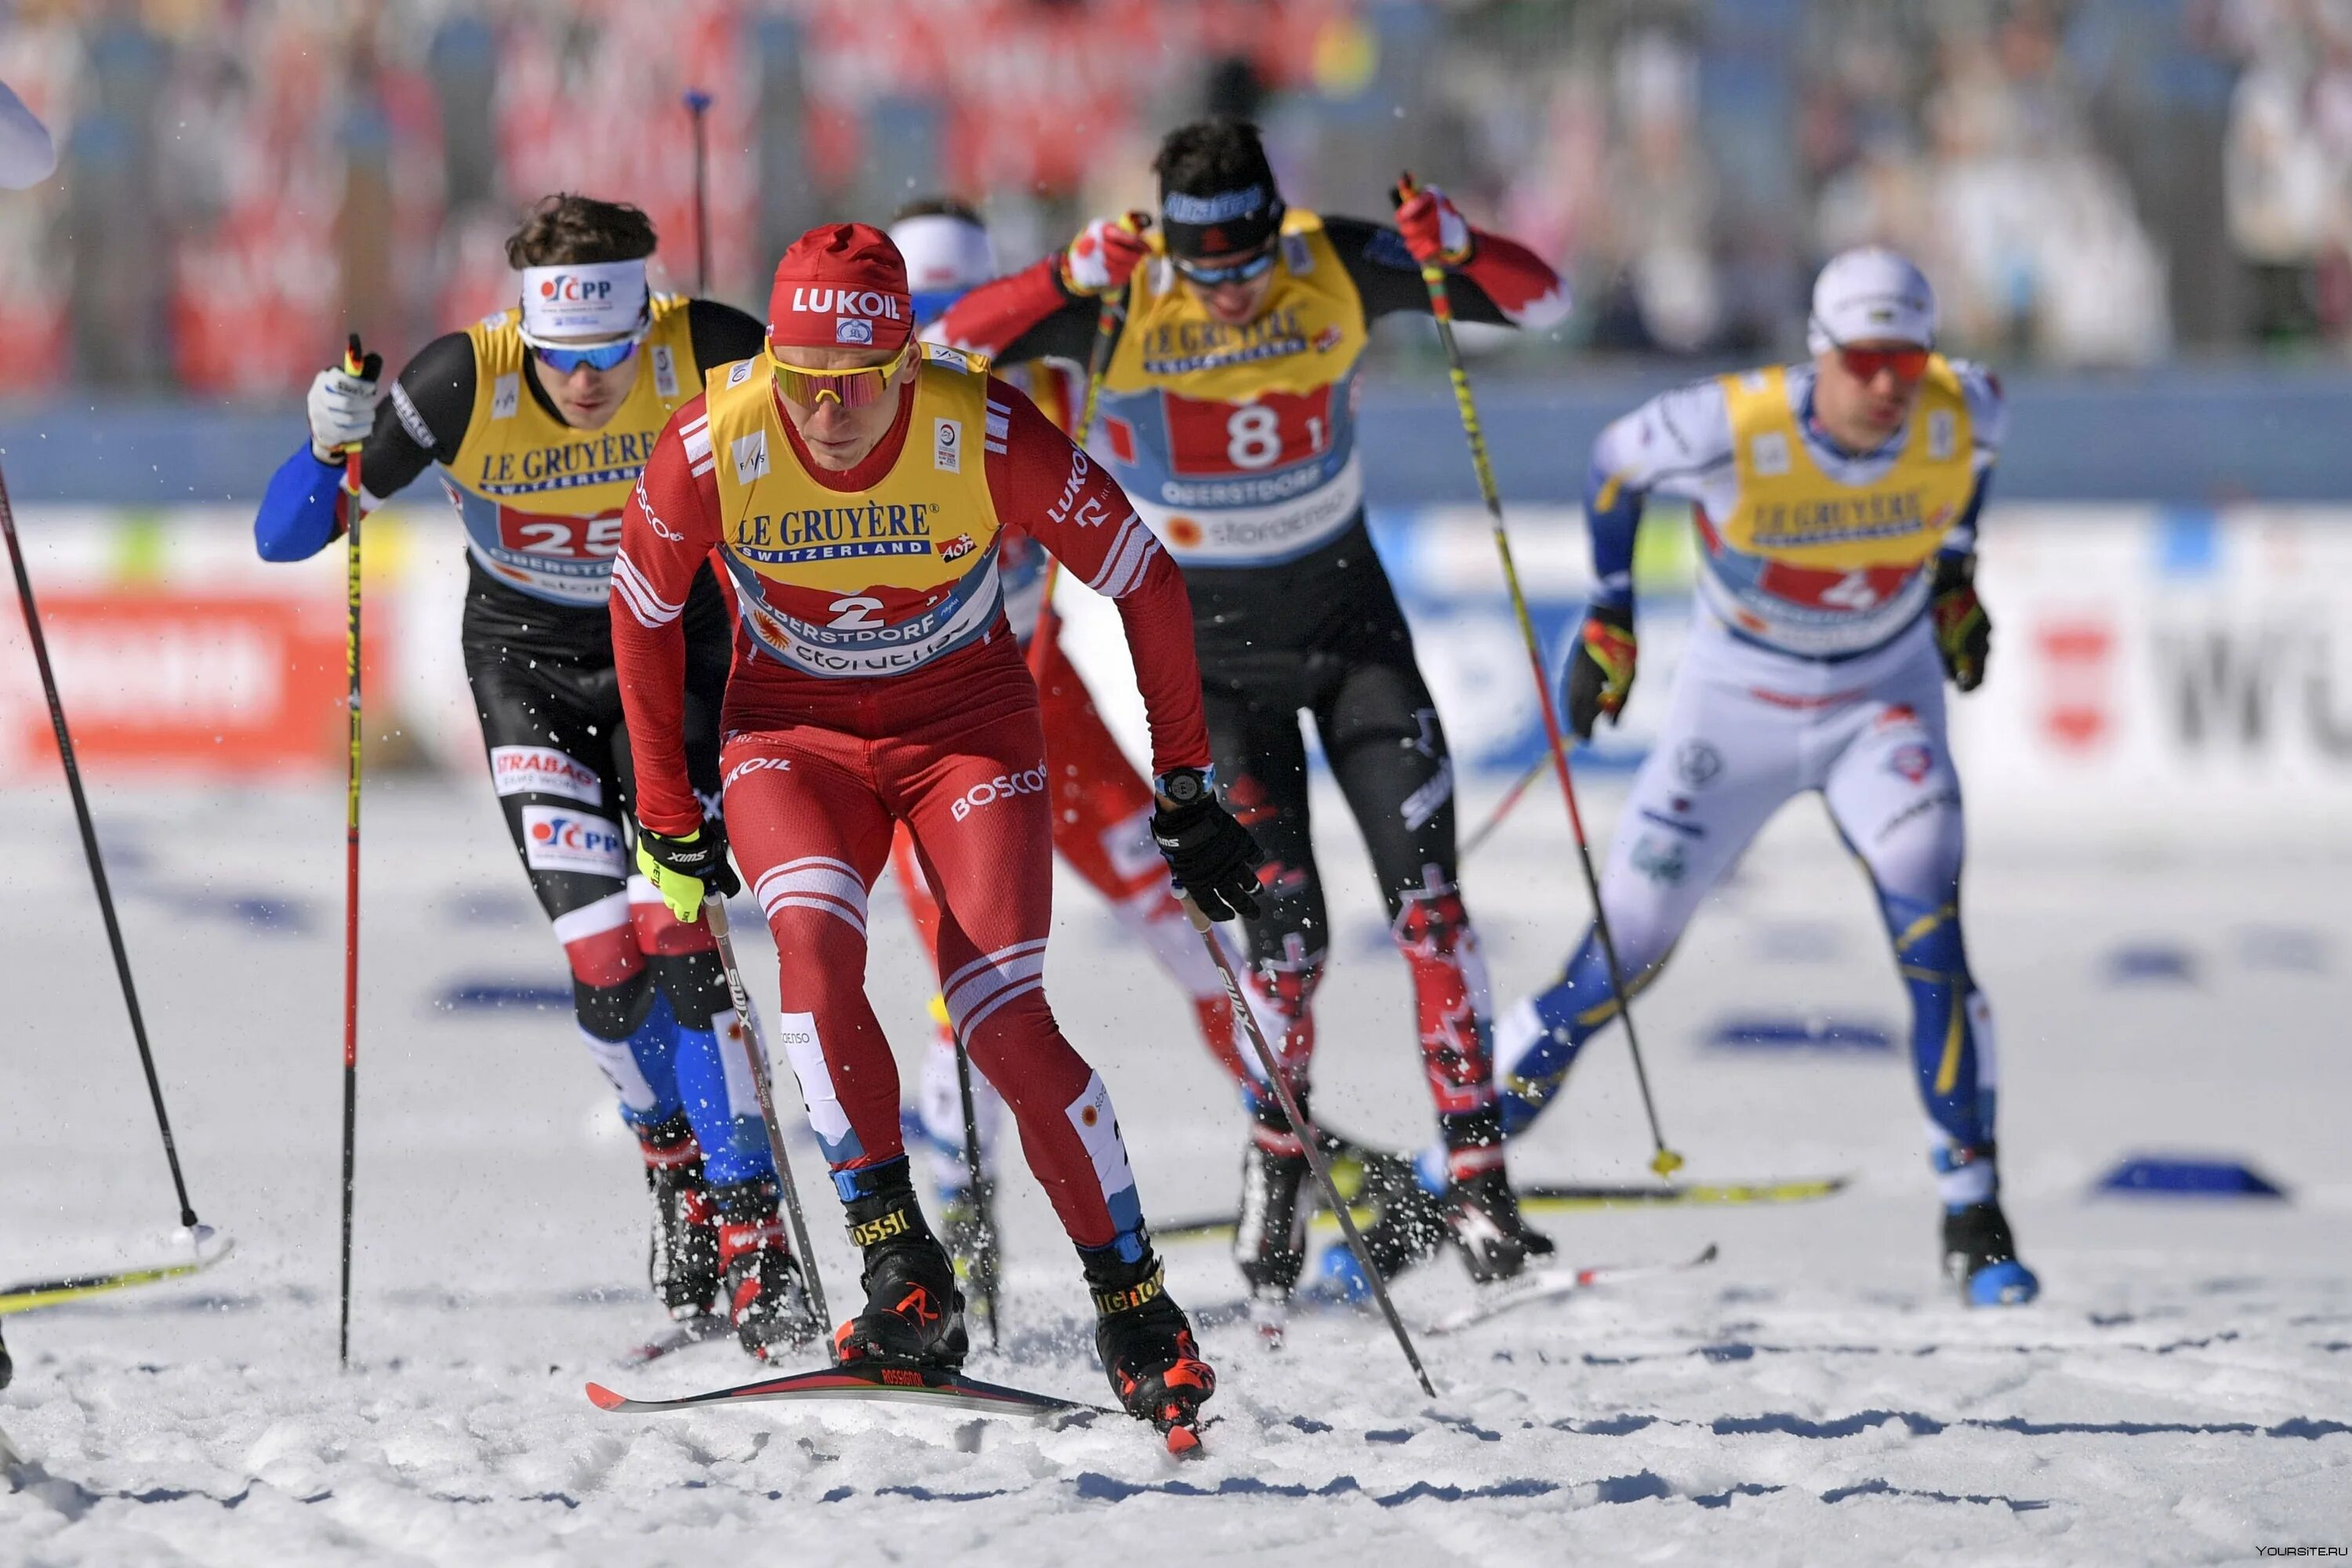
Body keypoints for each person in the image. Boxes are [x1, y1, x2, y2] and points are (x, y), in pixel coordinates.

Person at [611, 222, 1261, 1438]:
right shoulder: (716, 439)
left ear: (909, 363)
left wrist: (1185, 784)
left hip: (967, 729)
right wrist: (662, 802)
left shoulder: (986, 428)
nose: (829, 411)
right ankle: (902, 1264)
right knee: (813, 953)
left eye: (859, 382)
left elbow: (1144, 578)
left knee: (1001, 1016)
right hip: (791, 737)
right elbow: (640, 608)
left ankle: (1135, 1308)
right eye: (804, 383)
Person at [938, 119, 1573, 1302]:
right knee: (1287, 950)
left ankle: (1483, 1185)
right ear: (1169, 243)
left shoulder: (1329, 256)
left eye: (1248, 266)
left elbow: (1543, 304)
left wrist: (1462, 245)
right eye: (1206, 271)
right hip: (1214, 669)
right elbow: (933, 344)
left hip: (1352, 635)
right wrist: (1056, 281)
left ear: (1272, 227)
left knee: (1432, 912)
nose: (1231, 296)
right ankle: (1279, 1158)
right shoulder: (1122, 292)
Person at [251, 194, 817, 1358]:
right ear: (526, 329)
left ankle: (754, 1221)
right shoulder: (463, 380)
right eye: (565, 360)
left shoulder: (708, 347)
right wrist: (323, 440)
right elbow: (287, 537)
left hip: (678, 662)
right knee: (605, 959)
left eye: (613, 355)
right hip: (530, 671)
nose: (592, 383)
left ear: (645, 322)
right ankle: (676, 1179)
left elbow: (840, 440)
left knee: (683, 936)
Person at [1494, 247, 2037, 1306]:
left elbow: (1974, 463)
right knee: (1616, 963)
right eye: (1868, 359)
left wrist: (1957, 574)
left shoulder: (1963, 408)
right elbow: (1613, 461)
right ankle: (1446, 1175)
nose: (1891, 384)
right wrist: (1611, 611)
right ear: (1822, 354)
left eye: (1909, 360)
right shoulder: (1734, 421)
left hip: (1881, 707)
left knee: (1934, 938)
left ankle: (1976, 1216)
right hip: (1734, 709)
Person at [883, 199, 1266, 1309]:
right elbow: (963, 331)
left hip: (1058, 719)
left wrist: (1110, 282)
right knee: (975, 990)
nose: (943, 338)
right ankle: (962, 1208)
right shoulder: (884, 389)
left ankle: (1281, 1136)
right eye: (918, 315)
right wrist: (1070, 267)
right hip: (934, 742)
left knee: (1193, 936)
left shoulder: (1043, 380)